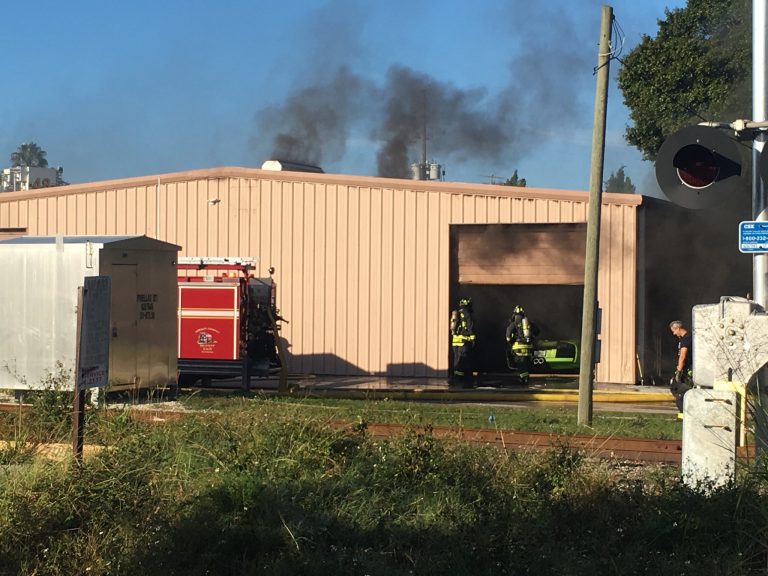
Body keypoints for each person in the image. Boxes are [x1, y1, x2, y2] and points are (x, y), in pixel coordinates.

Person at [450, 298, 476, 386]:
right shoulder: (467, 313)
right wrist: (472, 338)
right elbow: (470, 326)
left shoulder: (458, 313)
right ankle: (460, 379)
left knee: (457, 359)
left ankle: (456, 376)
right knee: (463, 359)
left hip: (455, 341)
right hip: (463, 341)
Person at [669, 320, 694, 414]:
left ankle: (684, 412)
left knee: (677, 388)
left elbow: (683, 356)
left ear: (678, 328)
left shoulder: (686, 339)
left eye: (674, 331)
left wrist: (679, 370)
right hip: (686, 368)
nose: (674, 334)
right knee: (676, 387)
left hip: (686, 368)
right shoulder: (685, 338)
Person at [505, 305, 533, 384]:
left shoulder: (513, 324)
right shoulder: (528, 322)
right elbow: (537, 331)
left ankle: (524, 379)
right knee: (526, 364)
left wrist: (511, 342)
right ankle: (525, 377)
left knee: (520, 364)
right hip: (528, 348)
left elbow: (508, 336)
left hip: (518, 348)